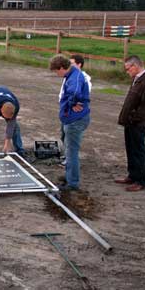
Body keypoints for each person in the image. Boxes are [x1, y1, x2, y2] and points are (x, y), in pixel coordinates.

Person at [115, 55, 145, 192]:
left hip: (137, 124)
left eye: (128, 69)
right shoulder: (137, 79)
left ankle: (140, 180)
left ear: (135, 66)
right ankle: (132, 176)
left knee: (138, 151)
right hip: (130, 122)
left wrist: (133, 119)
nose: (127, 72)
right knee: (131, 149)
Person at [49, 54, 90, 191]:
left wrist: (71, 104)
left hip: (74, 120)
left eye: (56, 71)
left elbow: (75, 93)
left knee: (71, 152)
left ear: (61, 68)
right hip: (71, 119)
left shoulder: (74, 77)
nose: (56, 74)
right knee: (69, 150)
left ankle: (72, 183)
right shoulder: (72, 74)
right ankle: (69, 177)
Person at [58, 54, 92, 166]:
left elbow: (78, 94)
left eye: (72, 63)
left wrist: (73, 103)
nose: (69, 65)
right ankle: (68, 155)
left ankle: (70, 159)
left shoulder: (81, 78)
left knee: (70, 138)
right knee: (63, 135)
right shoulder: (69, 75)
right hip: (66, 111)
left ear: (79, 64)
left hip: (74, 113)